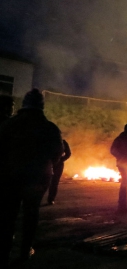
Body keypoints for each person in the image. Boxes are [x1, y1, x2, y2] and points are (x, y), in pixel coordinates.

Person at [0, 88, 63, 267]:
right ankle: (25, 250)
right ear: (41, 106)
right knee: (31, 214)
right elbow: (58, 153)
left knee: (8, 215)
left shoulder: (9, 125)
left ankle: (4, 251)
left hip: (10, 178)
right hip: (37, 179)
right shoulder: (49, 128)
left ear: (23, 105)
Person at [47, 139, 72, 205]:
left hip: (56, 164)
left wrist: (61, 160)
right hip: (48, 163)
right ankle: (50, 199)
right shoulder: (47, 141)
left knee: (54, 182)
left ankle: (51, 199)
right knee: (50, 182)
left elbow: (68, 153)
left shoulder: (62, 142)